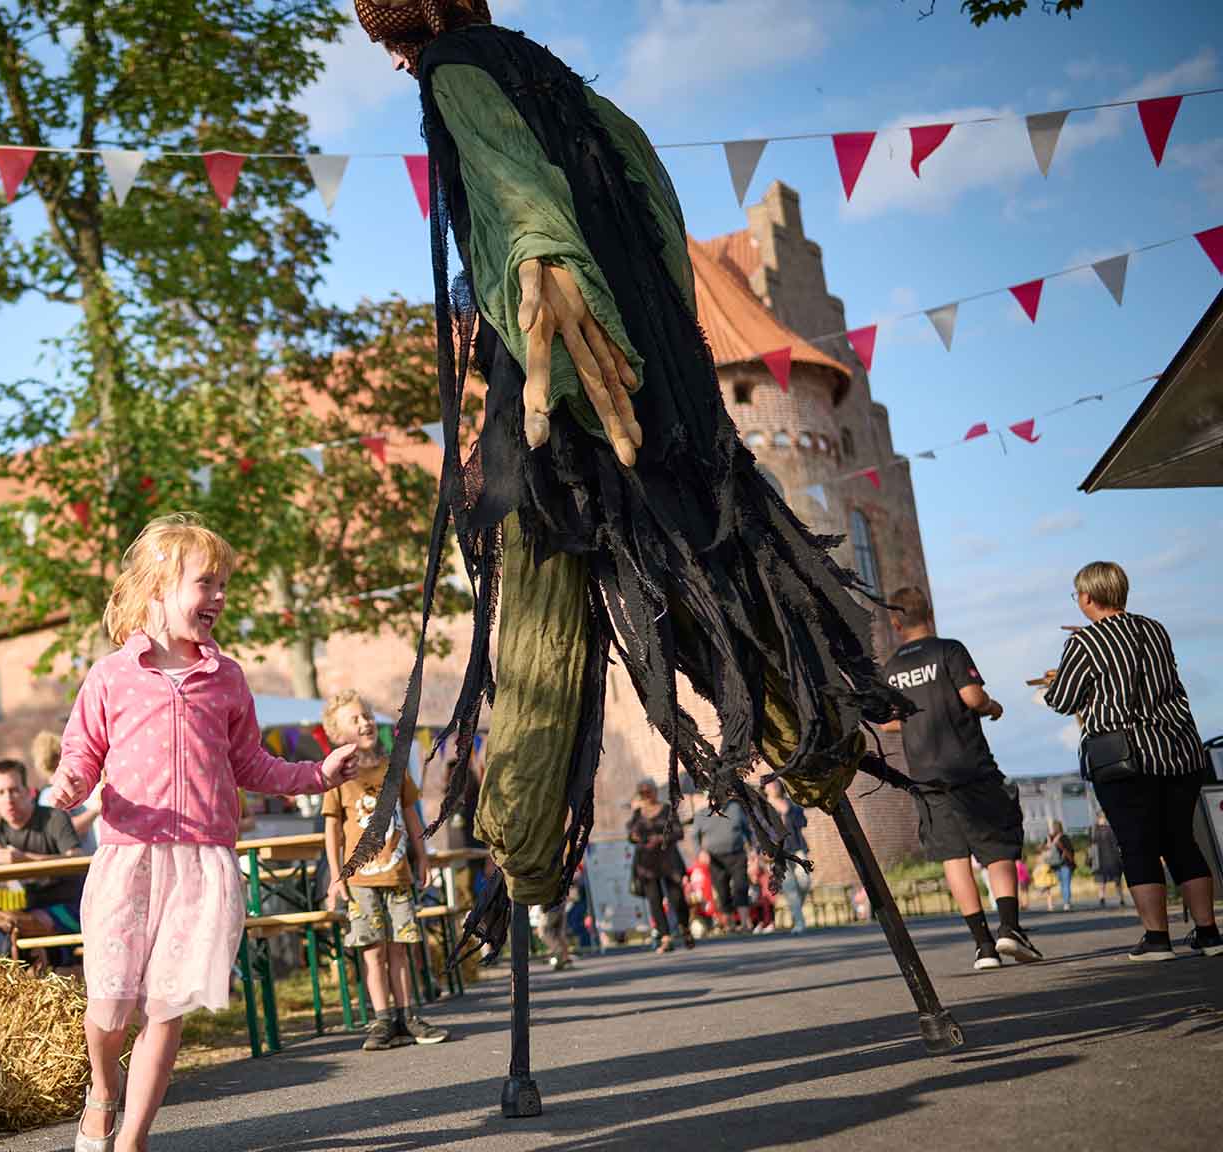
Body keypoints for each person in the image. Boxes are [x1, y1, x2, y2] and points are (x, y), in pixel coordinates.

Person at [342, 1, 916, 937]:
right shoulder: (570, 85)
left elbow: (516, 190)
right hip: (666, 408)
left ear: (417, 31)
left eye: (397, 46)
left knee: (538, 643)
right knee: (718, 596)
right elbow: (655, 206)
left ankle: (524, 859)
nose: (403, 67)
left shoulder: (457, 73)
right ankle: (817, 756)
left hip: (559, 412)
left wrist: (543, 266)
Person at [45, 514, 358, 1151]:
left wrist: (318, 773)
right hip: (128, 858)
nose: (218, 597)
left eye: (223, 585)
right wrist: (72, 782)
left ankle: (132, 1139)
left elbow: (252, 764)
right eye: (206, 583)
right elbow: (82, 750)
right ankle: (103, 1093)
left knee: (166, 1007)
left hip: (202, 865)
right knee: (109, 1011)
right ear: (159, 586)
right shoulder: (110, 676)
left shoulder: (227, 678)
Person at [1041, 561, 1219, 960]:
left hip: (1124, 757)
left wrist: (1057, 678)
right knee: (1180, 840)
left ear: (1087, 596)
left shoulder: (1084, 643)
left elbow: (1062, 700)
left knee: (1137, 844)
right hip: (1179, 749)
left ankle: (1157, 938)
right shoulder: (1155, 629)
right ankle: (1208, 932)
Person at [881, 585, 1041, 971]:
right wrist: (994, 706)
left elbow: (887, 721)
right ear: (929, 614)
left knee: (954, 857)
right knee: (997, 844)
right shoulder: (949, 650)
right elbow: (972, 697)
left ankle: (983, 945)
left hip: (925, 775)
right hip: (970, 765)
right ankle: (1009, 928)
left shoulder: (891, 669)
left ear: (896, 622)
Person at [320, 689, 449, 1049]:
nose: (365, 722)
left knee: (400, 947)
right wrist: (336, 876)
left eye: (367, 715)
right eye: (355, 719)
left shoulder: (394, 767)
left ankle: (408, 1015)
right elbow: (331, 828)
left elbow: (410, 815)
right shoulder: (338, 775)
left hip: (397, 875)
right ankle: (382, 1020)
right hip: (359, 879)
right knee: (372, 949)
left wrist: (422, 857)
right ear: (337, 734)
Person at [0, 759, 84, 944]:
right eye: (1, 792)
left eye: (14, 790)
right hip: (27, 911)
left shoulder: (54, 818)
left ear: (28, 791)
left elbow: (78, 859)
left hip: (72, 907)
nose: (8, 799)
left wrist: (25, 859)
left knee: (13, 923)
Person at [625, 781, 691, 953]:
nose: (646, 795)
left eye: (648, 791)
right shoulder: (638, 814)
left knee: (677, 899)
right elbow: (630, 836)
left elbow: (679, 832)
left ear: (655, 792)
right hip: (646, 864)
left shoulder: (667, 809)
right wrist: (635, 836)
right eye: (642, 792)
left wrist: (662, 839)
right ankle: (665, 937)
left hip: (668, 861)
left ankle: (684, 928)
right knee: (654, 901)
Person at [33, 729, 101, 854]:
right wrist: (97, 810)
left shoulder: (62, 789)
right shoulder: (51, 795)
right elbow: (67, 829)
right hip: (75, 866)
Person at [693, 799, 752, 933]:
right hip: (715, 859)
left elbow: (747, 830)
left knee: (741, 886)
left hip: (737, 854)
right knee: (722, 890)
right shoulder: (701, 814)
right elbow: (694, 836)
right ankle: (729, 924)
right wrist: (700, 852)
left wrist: (753, 848)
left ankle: (744, 923)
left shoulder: (735, 808)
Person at [764, 780, 811, 933]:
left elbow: (803, 822)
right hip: (778, 852)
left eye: (775, 784)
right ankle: (799, 923)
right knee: (790, 887)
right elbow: (760, 831)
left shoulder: (792, 805)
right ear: (765, 789)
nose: (773, 787)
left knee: (805, 881)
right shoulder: (763, 808)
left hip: (797, 848)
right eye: (769, 785)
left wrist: (789, 811)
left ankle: (796, 911)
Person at [1091, 818, 1128, 908]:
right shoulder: (1111, 831)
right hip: (1113, 861)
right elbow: (1116, 846)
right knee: (1117, 882)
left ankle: (1102, 898)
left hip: (1100, 862)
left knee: (1101, 882)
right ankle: (1121, 899)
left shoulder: (1094, 832)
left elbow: (1092, 848)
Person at [1043, 821, 1076, 912]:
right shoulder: (1064, 838)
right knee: (1066, 884)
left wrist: (1048, 844)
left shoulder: (1049, 838)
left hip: (1054, 865)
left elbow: (1041, 848)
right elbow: (1070, 850)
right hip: (1065, 864)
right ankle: (1066, 903)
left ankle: (1066, 901)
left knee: (1062, 884)